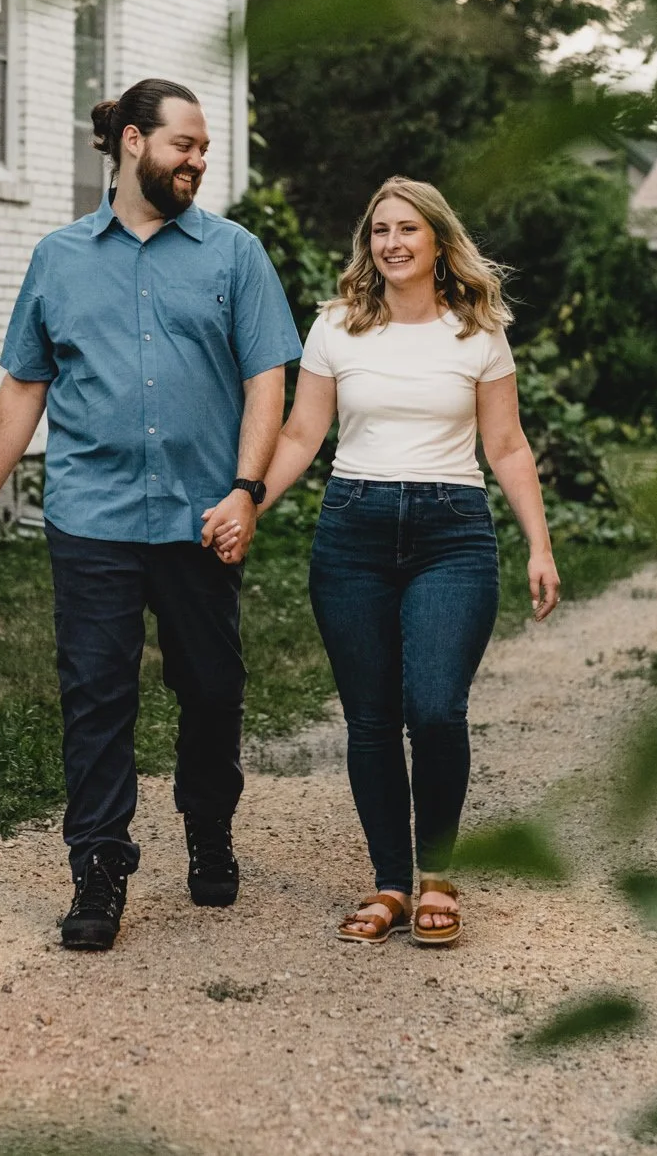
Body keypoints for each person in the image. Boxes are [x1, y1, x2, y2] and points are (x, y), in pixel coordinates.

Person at [0, 78, 301, 951]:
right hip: (94, 518)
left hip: (203, 517)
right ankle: (99, 867)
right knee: (96, 698)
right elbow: (24, 384)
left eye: (204, 148)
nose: (199, 160)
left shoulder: (234, 254)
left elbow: (269, 378)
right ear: (132, 145)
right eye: (184, 144)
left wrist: (247, 488)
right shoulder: (59, 258)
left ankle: (208, 824)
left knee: (213, 689)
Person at [242, 176, 560, 947]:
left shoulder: (477, 331)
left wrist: (539, 543)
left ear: (437, 241)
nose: (390, 242)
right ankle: (390, 882)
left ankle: (439, 873)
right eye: (379, 229)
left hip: (452, 534)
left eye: (406, 229)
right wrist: (248, 501)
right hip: (353, 529)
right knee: (372, 718)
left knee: (436, 706)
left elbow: (508, 445)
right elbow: (298, 435)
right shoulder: (335, 327)